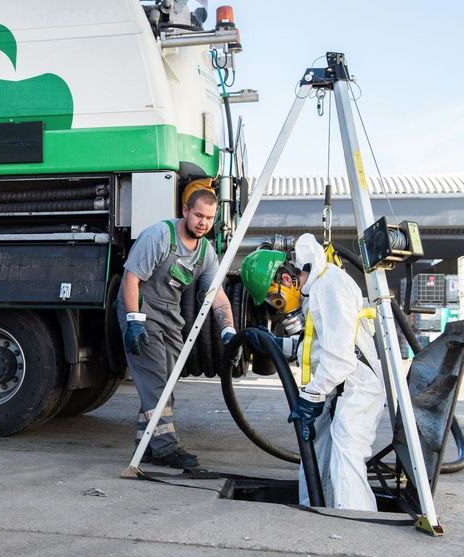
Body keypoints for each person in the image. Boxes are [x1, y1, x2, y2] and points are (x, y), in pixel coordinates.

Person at [241, 233, 386, 511]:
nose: (275, 306)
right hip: (333, 387)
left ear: (285, 280)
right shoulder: (312, 291)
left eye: (274, 299)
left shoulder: (331, 287)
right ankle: (317, 515)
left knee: (346, 453)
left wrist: (311, 397)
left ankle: (357, 525)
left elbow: (340, 358)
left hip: (357, 387)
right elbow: (313, 347)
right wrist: (275, 344)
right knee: (315, 453)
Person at [117, 188, 239, 469]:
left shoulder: (206, 252)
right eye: (198, 215)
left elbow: (216, 295)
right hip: (141, 310)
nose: (203, 223)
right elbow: (131, 279)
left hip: (170, 316)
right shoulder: (159, 236)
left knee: (166, 382)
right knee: (156, 380)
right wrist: (134, 321)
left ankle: (145, 443)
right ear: (185, 211)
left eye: (209, 218)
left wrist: (228, 331)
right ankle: (165, 447)